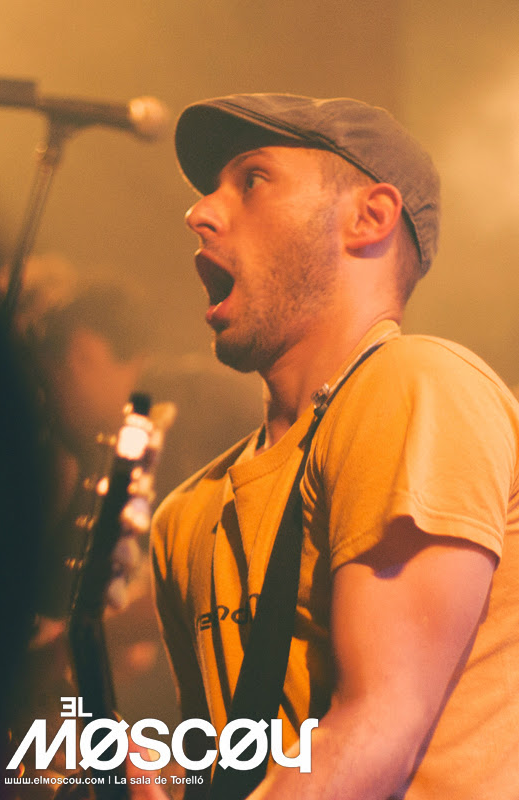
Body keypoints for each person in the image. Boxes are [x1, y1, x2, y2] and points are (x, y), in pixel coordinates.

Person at [147, 94, 519, 800]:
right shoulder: (185, 516)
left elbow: (377, 725)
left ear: (368, 218)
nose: (199, 212)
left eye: (252, 179)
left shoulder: (415, 385)